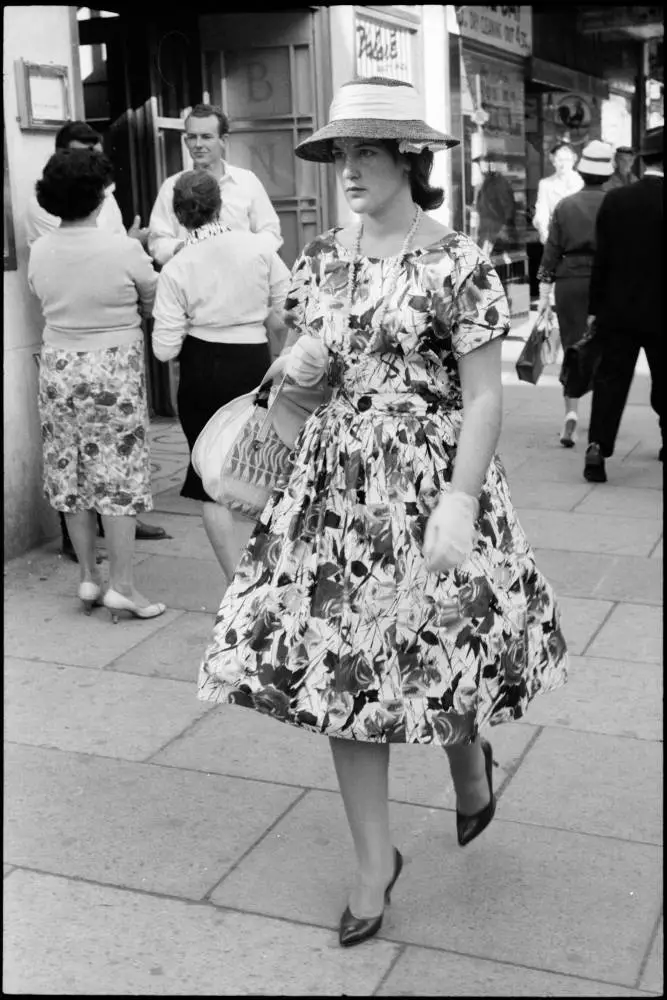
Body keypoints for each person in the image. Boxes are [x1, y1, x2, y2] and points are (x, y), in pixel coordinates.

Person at [197, 77, 569, 949]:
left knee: (442, 644)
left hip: (435, 478)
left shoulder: (458, 261)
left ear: (407, 158)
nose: (348, 169)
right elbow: (313, 367)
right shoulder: (326, 256)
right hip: (335, 493)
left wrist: (459, 497)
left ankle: (468, 769)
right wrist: (299, 367)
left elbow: (483, 399)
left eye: (365, 152)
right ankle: (374, 863)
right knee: (342, 677)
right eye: (340, 154)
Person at [28, 148, 166, 623]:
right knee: (119, 476)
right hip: (113, 368)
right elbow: (153, 296)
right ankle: (123, 586)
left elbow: (39, 292)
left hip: (58, 367)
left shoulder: (40, 249)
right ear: (100, 194)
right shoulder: (123, 248)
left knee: (72, 471)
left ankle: (87, 575)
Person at [152, 170, 291, 574]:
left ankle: (234, 581)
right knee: (262, 467)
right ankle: (273, 570)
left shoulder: (177, 268)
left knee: (208, 481)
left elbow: (164, 350)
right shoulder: (258, 248)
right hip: (253, 361)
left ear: (179, 215)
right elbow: (288, 308)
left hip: (201, 368)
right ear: (220, 205)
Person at [584, 126, 663, 483]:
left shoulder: (616, 200)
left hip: (618, 310)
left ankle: (597, 448)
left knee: (611, 378)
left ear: (643, 160)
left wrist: (594, 308)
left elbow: (602, 260)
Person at [536, 140, 614, 448]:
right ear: (607, 173)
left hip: (570, 282)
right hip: (607, 282)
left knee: (573, 347)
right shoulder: (615, 202)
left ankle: (571, 414)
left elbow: (550, 253)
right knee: (606, 350)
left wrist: (544, 293)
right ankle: (599, 418)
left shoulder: (565, 206)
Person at [147, 104, 282, 267]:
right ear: (185, 141)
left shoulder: (246, 181)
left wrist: (242, 249)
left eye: (206, 137)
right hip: (192, 280)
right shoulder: (172, 186)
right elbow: (157, 241)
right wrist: (183, 248)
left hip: (242, 277)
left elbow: (271, 233)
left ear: (223, 140)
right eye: (192, 137)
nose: (198, 144)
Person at [533, 141, 584, 245]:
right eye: (560, 159)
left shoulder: (582, 182)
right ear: (553, 160)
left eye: (567, 159)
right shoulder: (545, 184)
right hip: (555, 238)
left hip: (580, 237)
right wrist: (544, 233)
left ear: (574, 159)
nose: (563, 164)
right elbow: (542, 212)